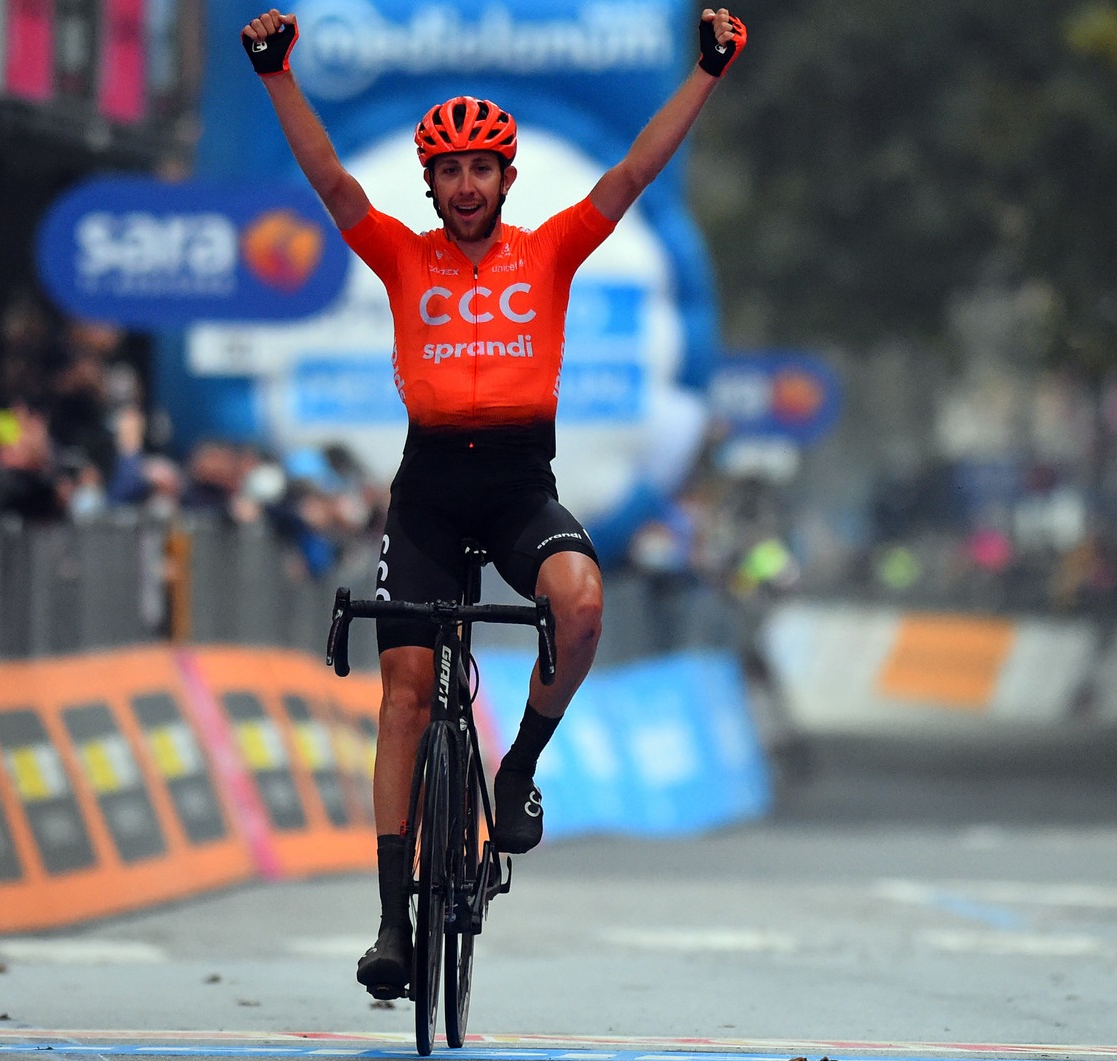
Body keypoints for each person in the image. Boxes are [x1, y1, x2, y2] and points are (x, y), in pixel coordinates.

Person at [241, 5, 747, 998]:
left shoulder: (549, 251)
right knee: (400, 693)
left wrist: (704, 74)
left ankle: (515, 766)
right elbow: (331, 181)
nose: (465, 184)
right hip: (427, 493)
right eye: (448, 171)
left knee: (582, 600)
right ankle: (392, 920)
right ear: (428, 183)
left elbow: (632, 174)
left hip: (519, 485)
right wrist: (275, 77)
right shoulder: (401, 256)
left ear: (506, 179)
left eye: (482, 169)